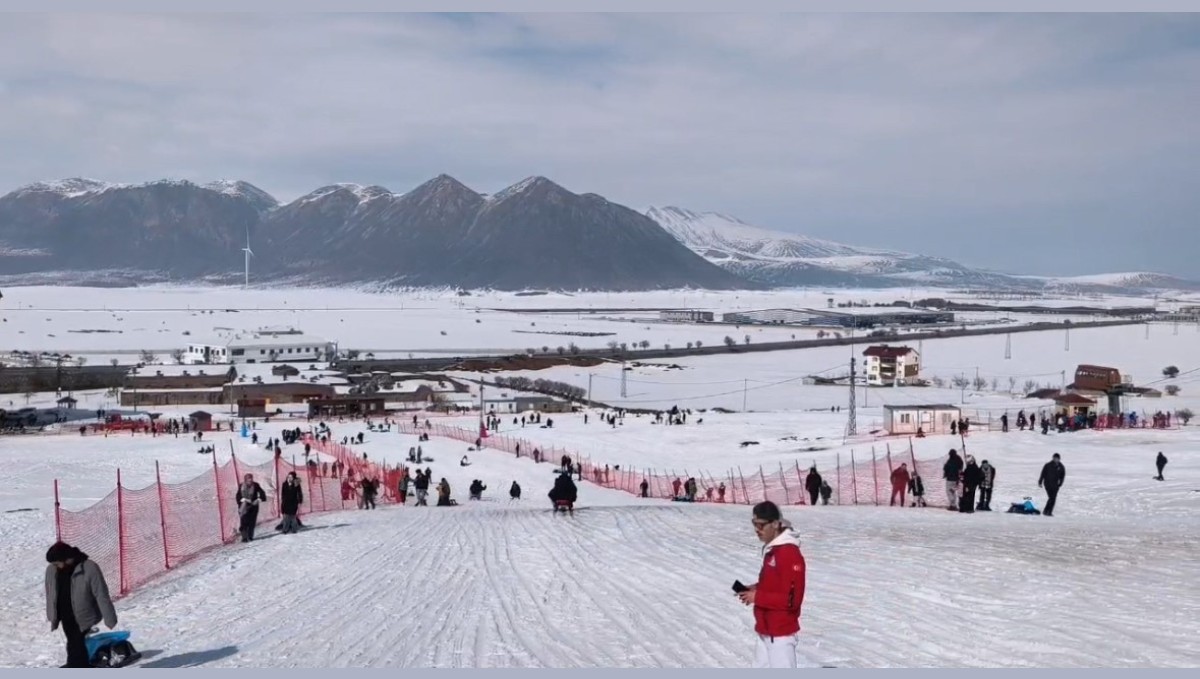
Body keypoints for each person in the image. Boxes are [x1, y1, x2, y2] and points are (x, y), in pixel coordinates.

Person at [736, 501, 806, 668]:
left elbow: (791, 600)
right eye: (754, 524)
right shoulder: (772, 550)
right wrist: (754, 589)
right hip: (765, 630)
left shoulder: (789, 553)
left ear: (774, 524)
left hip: (780, 634)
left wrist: (757, 597)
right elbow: (775, 586)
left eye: (760, 525)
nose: (756, 530)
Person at [45, 541, 117, 668]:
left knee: (76, 642)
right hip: (64, 614)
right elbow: (50, 592)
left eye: (57, 563)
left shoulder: (89, 567)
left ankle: (77, 665)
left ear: (66, 559)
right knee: (72, 642)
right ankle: (76, 664)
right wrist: (52, 614)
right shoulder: (52, 570)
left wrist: (109, 617)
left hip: (84, 614)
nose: (55, 566)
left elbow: (101, 593)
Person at [235, 473, 267, 542]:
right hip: (244, 507)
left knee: (252, 523)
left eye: (251, 478)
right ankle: (244, 537)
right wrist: (242, 499)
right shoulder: (241, 486)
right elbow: (238, 496)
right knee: (243, 522)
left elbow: (262, 493)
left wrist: (259, 499)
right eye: (248, 479)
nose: (250, 480)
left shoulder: (256, 485)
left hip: (253, 507)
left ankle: (250, 536)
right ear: (245, 480)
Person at [1037, 453, 1066, 517]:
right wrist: (1040, 482)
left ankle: (1047, 511)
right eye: (1054, 458)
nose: (1055, 459)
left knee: (1052, 498)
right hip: (1048, 484)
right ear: (1052, 458)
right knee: (1052, 497)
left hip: (1055, 485)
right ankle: (1048, 511)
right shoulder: (1047, 465)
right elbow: (1043, 474)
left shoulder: (1061, 467)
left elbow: (1062, 476)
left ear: (1059, 459)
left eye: (1057, 458)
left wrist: (1060, 483)